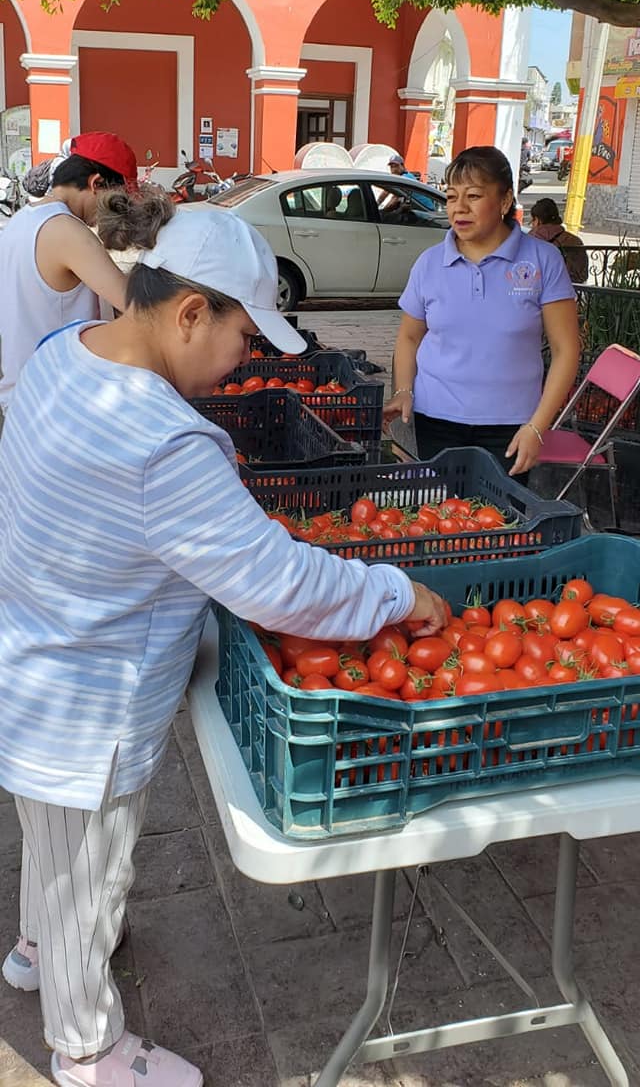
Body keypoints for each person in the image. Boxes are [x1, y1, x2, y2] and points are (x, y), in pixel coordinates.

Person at [0, 206, 446, 1087]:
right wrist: (398, 591)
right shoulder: (163, 440)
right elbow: (281, 583)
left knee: (56, 845)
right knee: (88, 859)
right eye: (244, 333)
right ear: (191, 312)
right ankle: (86, 1051)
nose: (245, 357)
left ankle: (35, 952)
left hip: (40, 649)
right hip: (89, 692)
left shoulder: (64, 355)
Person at [383, 145, 580, 478]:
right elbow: (409, 336)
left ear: (504, 201)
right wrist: (404, 390)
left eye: (473, 196)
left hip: (511, 423)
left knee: (503, 522)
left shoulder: (543, 260)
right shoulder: (430, 263)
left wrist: (537, 426)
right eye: (450, 197)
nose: (459, 208)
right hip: (437, 418)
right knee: (443, 516)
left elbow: (566, 350)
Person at [0, 132, 143, 421]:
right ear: (96, 184)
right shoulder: (66, 230)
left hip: (25, 394)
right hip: (57, 403)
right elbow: (135, 305)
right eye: (118, 199)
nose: (114, 213)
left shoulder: (22, 221)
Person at [529, 197, 589, 284]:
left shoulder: (532, 239)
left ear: (538, 221)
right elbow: (583, 275)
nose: (532, 224)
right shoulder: (575, 241)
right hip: (573, 291)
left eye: (533, 220)